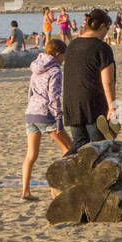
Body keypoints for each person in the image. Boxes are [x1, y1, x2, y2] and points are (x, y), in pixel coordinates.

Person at [21, 38, 74, 200]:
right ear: (57, 54)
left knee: (31, 155)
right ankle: (56, 188)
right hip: (46, 115)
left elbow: (30, 92)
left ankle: (25, 191)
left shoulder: (36, 67)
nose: (64, 60)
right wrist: (58, 119)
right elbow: (54, 97)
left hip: (31, 113)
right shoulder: (55, 71)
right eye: (63, 56)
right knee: (70, 149)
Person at [60, 9, 116, 152]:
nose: (106, 33)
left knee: (80, 144)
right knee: (100, 146)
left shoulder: (72, 45)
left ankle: (64, 169)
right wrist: (112, 106)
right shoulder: (102, 48)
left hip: (71, 101)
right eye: (107, 29)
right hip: (93, 102)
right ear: (102, 26)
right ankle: (61, 169)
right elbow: (107, 81)